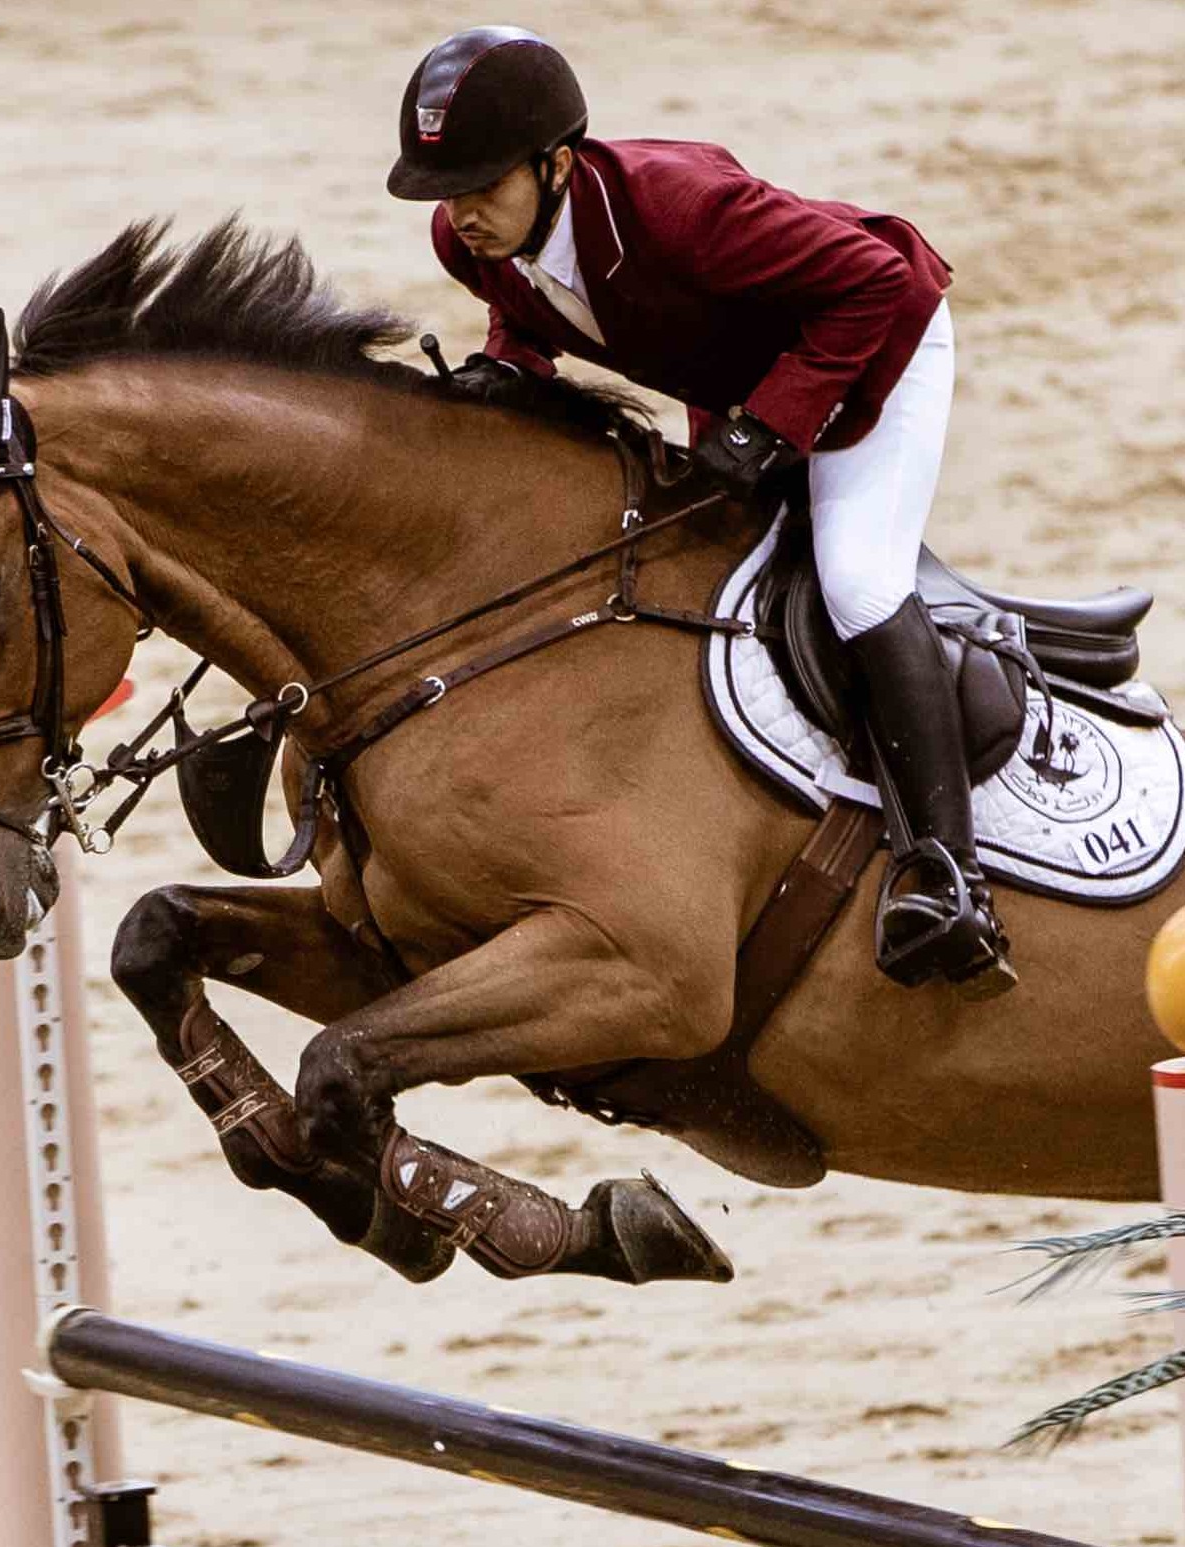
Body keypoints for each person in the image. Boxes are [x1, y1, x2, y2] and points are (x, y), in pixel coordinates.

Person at [388, 25, 1013, 995]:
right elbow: (523, 310)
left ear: (555, 164)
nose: (460, 214)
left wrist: (771, 426)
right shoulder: (469, 244)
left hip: (875, 346)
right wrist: (508, 370)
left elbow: (872, 281)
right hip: (746, 377)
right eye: (444, 191)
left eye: (481, 186)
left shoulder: (677, 206)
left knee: (854, 581)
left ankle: (947, 867)